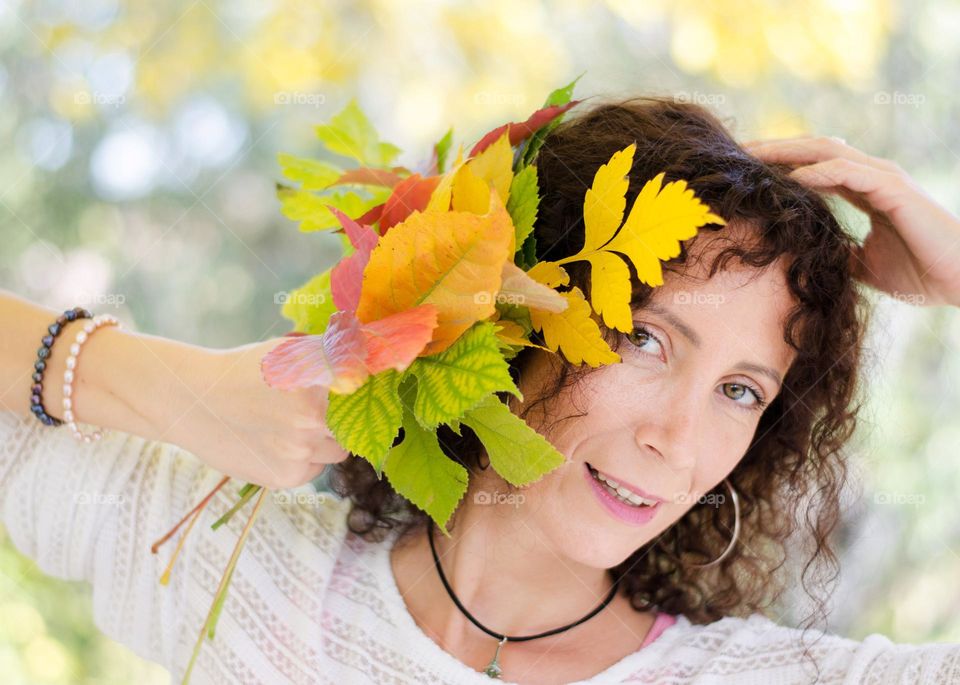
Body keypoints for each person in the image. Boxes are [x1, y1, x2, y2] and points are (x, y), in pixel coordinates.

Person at [1, 97, 959, 685]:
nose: (679, 437)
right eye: (644, 336)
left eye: (741, 392)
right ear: (508, 311)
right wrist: (187, 391)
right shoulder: (242, 565)